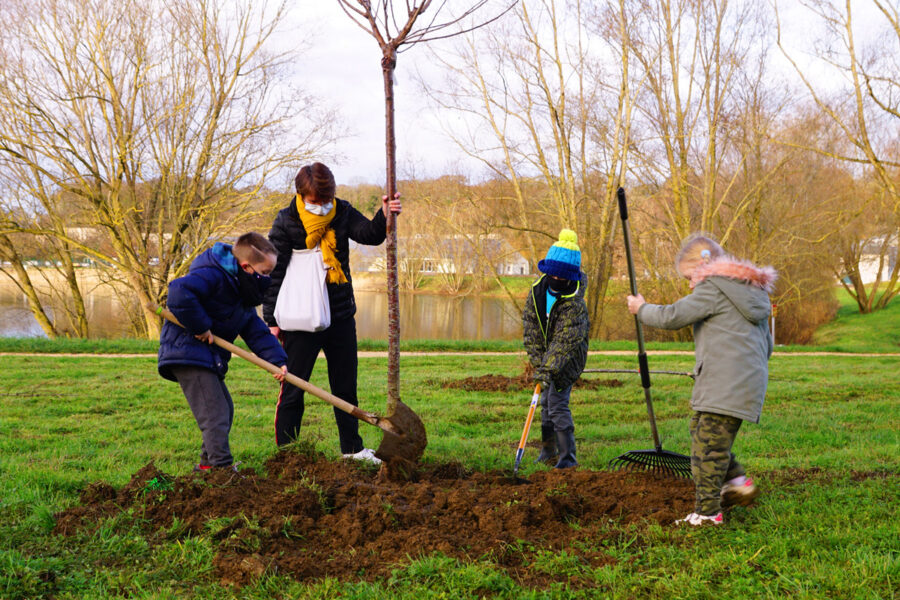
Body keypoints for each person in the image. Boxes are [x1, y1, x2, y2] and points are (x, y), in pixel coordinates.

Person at [626, 234, 776, 526]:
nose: (689, 285)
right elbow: (767, 345)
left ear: (702, 268)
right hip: (745, 382)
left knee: (707, 447)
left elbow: (672, 316)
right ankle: (738, 482)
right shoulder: (749, 292)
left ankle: (707, 513)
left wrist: (641, 309)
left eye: (689, 277)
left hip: (725, 382)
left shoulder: (714, 288)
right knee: (705, 435)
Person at [263, 162, 402, 464]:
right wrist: (271, 322)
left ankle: (351, 450)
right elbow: (274, 274)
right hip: (300, 319)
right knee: (293, 387)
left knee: (345, 387)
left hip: (339, 315)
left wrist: (385, 213)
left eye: (327, 198)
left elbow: (370, 235)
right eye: (316, 201)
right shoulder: (286, 221)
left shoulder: (341, 211)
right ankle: (288, 454)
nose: (323, 205)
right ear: (301, 195)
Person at [158, 232, 288, 471]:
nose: (267, 279)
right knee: (214, 414)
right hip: (187, 352)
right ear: (247, 267)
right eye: (266, 272)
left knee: (224, 411)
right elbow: (179, 292)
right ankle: (222, 470)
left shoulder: (242, 288)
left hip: (208, 356)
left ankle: (207, 468)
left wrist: (277, 360)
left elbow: (255, 329)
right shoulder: (213, 275)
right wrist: (200, 326)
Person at [523, 229, 590, 469]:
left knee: (558, 404)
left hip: (568, 360)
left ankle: (567, 459)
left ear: (571, 278)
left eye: (561, 277)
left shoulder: (575, 305)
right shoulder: (537, 292)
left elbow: (564, 343)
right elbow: (531, 327)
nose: (555, 280)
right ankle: (547, 451)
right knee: (545, 403)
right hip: (546, 360)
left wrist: (548, 369)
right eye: (552, 274)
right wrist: (538, 361)